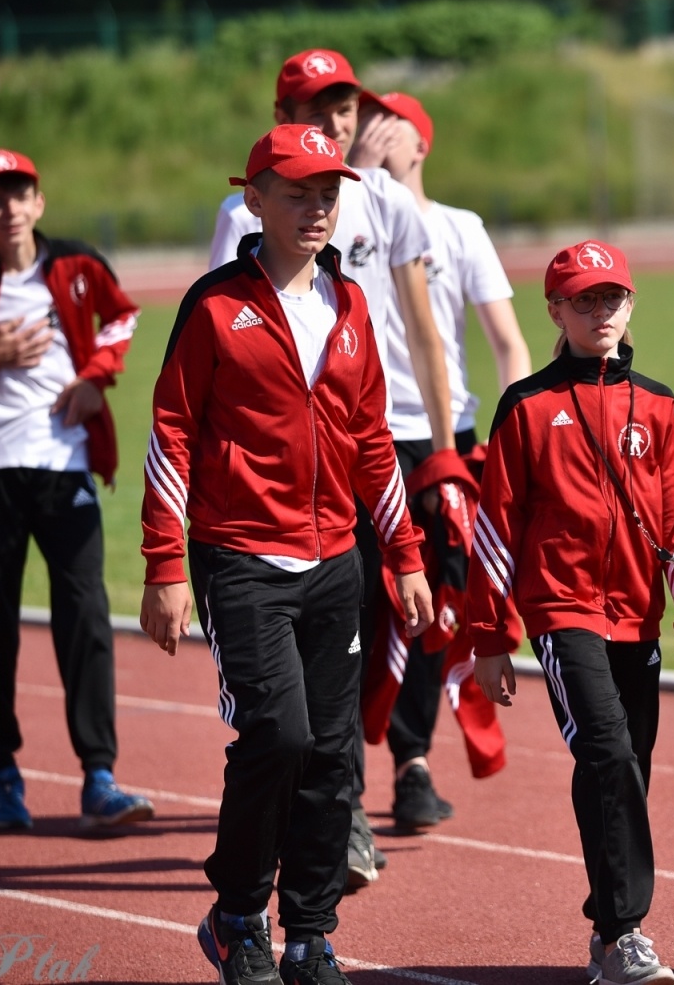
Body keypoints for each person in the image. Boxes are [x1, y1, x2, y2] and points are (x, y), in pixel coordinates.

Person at [141, 124, 431, 985]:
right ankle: (237, 913)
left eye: (328, 194)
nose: (316, 209)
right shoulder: (215, 306)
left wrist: (405, 556)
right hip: (241, 556)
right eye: (297, 193)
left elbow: (372, 440)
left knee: (334, 751)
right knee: (279, 732)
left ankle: (309, 933)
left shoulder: (350, 305)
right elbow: (170, 434)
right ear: (253, 200)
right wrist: (164, 567)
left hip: (337, 557)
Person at [207, 48, 450, 885]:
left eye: (344, 104)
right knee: (296, 694)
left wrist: (446, 440)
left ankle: (379, 787)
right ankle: (329, 825)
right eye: (315, 104)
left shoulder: (378, 200)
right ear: (282, 113)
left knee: (397, 623)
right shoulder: (253, 211)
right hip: (278, 473)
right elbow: (212, 359)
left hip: (381, 438)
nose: (335, 117)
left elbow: (420, 327)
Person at [470, 240, 674, 985]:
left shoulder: (661, 404)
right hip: (562, 610)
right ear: (556, 311)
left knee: (622, 767)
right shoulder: (527, 406)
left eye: (611, 298)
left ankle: (608, 930)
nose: (600, 312)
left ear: (631, 304)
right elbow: (495, 528)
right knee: (607, 753)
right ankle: (623, 933)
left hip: (637, 615)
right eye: (584, 300)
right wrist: (489, 636)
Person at [0, 148, 152, 831]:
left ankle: (99, 775)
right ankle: (4, 775)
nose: (8, 208)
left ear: (39, 203)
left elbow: (123, 318)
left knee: (86, 616)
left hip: (66, 466)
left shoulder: (79, 264)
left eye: (19, 194)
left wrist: (96, 378)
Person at [352, 89, 531, 833]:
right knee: (364, 596)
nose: (367, 132)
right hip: (359, 429)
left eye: (383, 123)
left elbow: (507, 341)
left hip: (439, 434)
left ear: (418, 142)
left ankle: (413, 762)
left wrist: (522, 439)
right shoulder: (346, 212)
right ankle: (346, 775)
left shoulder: (459, 228)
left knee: (436, 601)